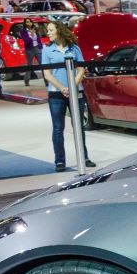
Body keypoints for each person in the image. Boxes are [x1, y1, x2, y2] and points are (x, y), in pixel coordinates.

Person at [40, 21, 95, 172]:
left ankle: (84, 157)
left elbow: (81, 70)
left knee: (78, 127)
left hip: (75, 91)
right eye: (48, 30)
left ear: (60, 31)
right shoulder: (46, 50)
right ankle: (59, 161)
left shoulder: (74, 48)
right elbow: (47, 75)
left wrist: (72, 87)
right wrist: (63, 88)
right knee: (58, 128)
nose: (48, 33)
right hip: (56, 94)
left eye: (51, 30)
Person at [18, 18, 43, 87]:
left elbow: (38, 39)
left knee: (42, 64)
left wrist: (40, 46)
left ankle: (47, 80)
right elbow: (26, 41)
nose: (29, 23)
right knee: (29, 65)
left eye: (30, 22)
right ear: (25, 23)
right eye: (27, 22)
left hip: (38, 48)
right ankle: (26, 81)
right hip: (29, 49)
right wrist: (31, 35)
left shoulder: (35, 29)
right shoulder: (23, 31)